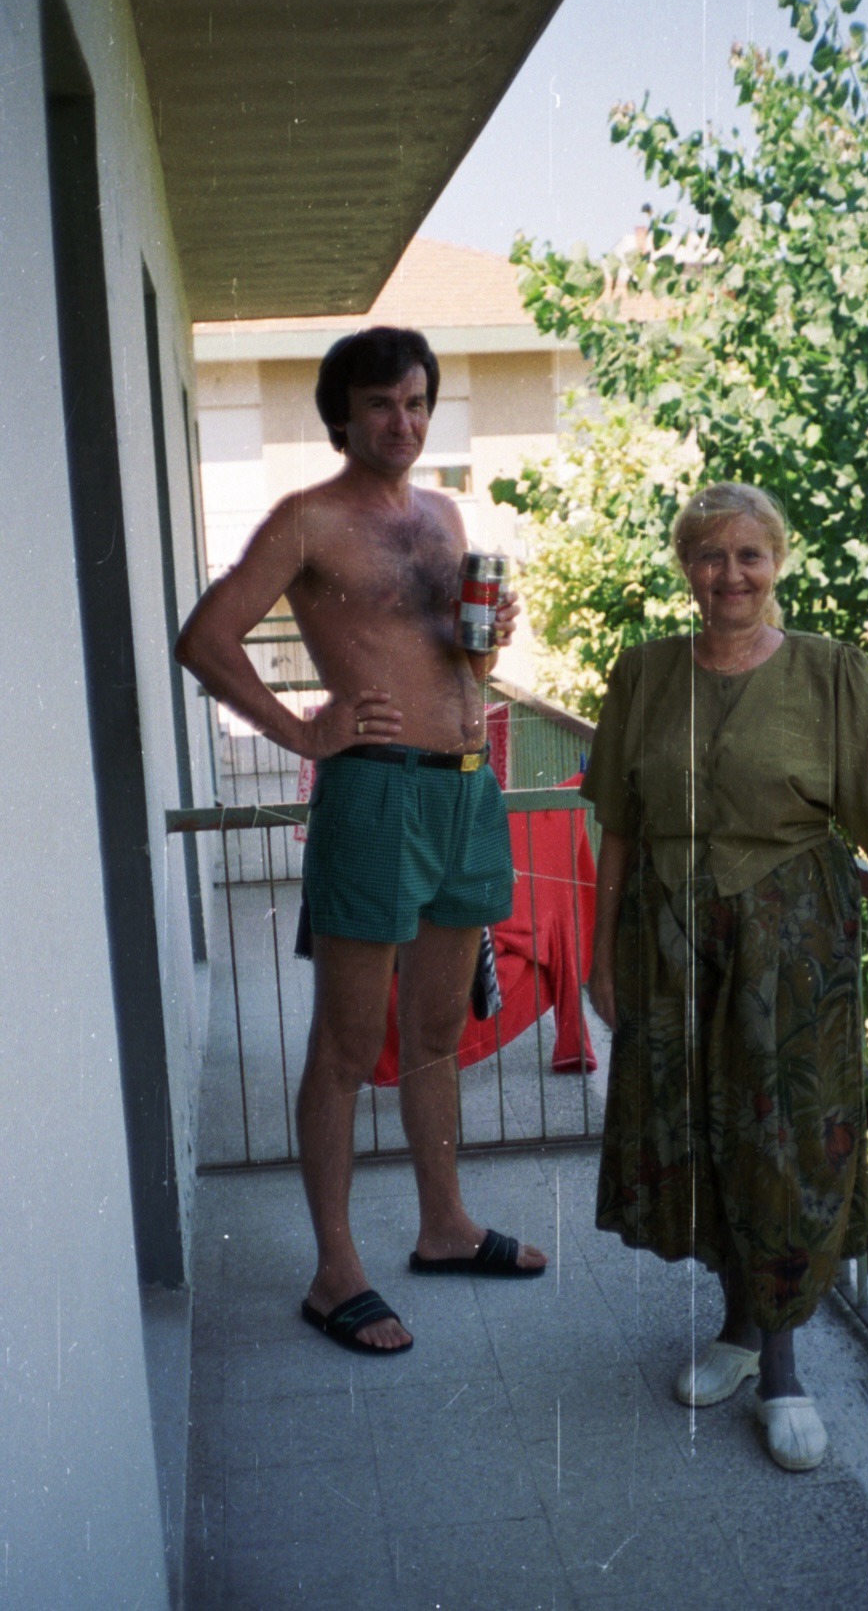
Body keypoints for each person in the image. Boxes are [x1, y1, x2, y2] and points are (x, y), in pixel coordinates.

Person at [581, 483, 868, 1470]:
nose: (729, 574)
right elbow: (618, 830)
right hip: (671, 938)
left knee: (785, 1143)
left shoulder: (831, 672)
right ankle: (733, 1332)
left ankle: (781, 1371)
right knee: (700, 1140)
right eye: (709, 555)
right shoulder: (641, 675)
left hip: (789, 942)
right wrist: (601, 956)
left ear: (779, 564)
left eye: (748, 556)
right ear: (685, 565)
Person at [176, 326, 546, 1358]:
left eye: (419, 402)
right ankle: (335, 1270)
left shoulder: (443, 513)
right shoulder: (307, 520)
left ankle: (444, 1226)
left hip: (467, 792)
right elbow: (206, 637)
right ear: (343, 414)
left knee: (434, 1035)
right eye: (383, 403)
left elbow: (445, 654)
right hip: (375, 793)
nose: (405, 421)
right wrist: (303, 729)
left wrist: (492, 633)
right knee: (345, 1046)